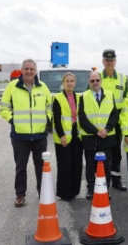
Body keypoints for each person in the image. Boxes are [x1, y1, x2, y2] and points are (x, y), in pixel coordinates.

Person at [0, 59, 52, 207]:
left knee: (41, 167)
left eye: (31, 69)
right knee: (21, 167)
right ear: (22, 70)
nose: (29, 72)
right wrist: (13, 121)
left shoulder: (43, 87)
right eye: (26, 69)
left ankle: (43, 194)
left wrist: (46, 119)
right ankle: (20, 194)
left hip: (39, 135)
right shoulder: (12, 87)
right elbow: (3, 108)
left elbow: (50, 106)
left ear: (35, 71)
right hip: (20, 137)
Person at [79, 71, 118, 200]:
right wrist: (96, 131)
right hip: (90, 137)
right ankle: (91, 189)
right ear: (89, 82)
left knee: (106, 165)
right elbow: (82, 118)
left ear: (101, 81)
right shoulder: (83, 96)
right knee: (90, 165)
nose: (95, 83)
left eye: (97, 80)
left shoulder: (110, 95)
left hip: (106, 137)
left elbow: (114, 115)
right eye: (92, 81)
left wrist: (106, 129)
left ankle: (105, 189)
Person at [100, 49, 128, 191]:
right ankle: (101, 179)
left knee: (116, 151)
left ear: (115, 61)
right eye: (107, 60)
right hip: (101, 120)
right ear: (103, 61)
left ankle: (116, 179)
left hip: (117, 120)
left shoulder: (123, 79)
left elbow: (127, 100)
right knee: (101, 151)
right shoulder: (97, 77)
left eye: (112, 60)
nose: (109, 62)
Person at [52, 72, 83, 202]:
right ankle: (65, 193)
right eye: (67, 81)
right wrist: (62, 136)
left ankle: (75, 190)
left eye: (72, 81)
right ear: (63, 83)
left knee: (77, 163)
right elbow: (57, 120)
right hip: (63, 135)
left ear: (75, 83)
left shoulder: (79, 97)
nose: (70, 83)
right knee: (65, 164)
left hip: (77, 134)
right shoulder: (58, 98)